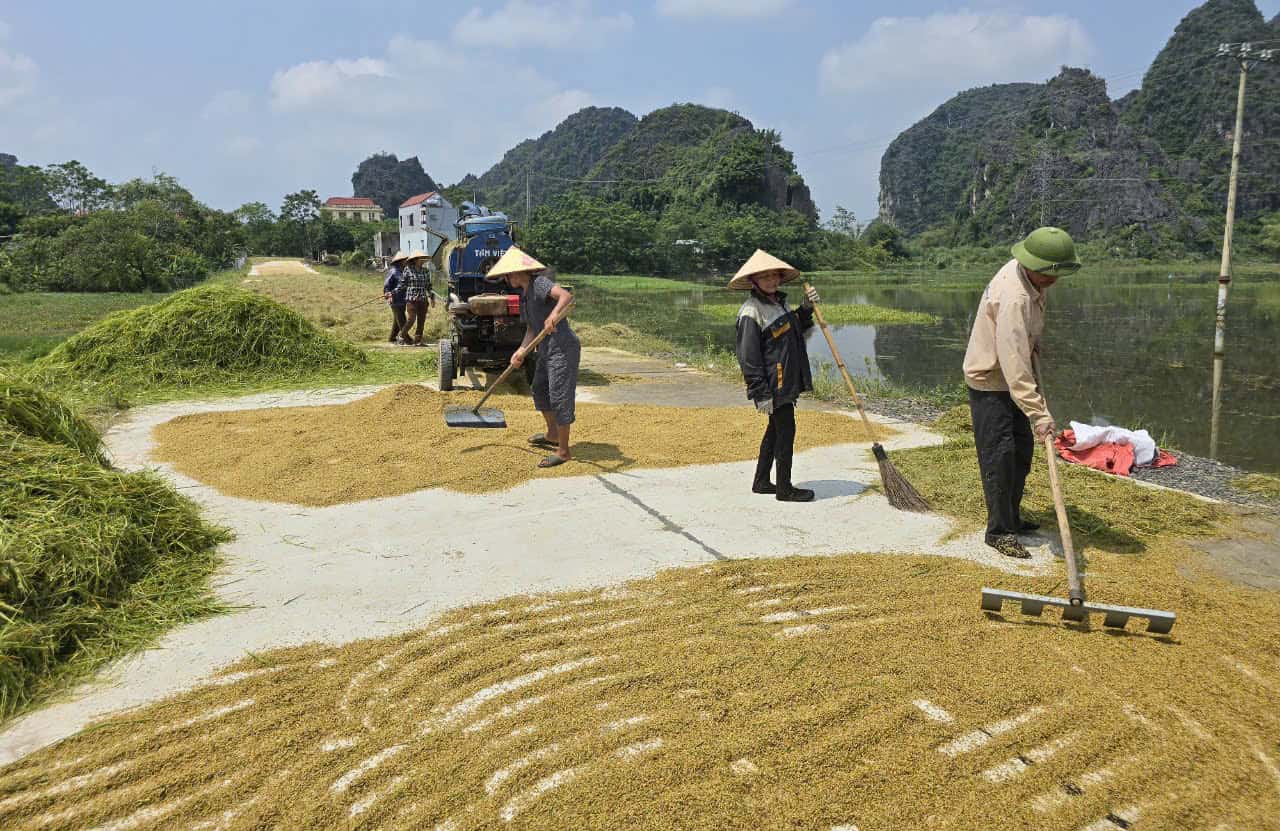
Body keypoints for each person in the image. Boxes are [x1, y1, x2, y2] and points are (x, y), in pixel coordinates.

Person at [962, 226, 1081, 559]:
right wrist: (1038, 413)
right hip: (992, 382)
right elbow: (1012, 360)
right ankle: (998, 531)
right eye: (1049, 274)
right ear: (1033, 266)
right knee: (1000, 457)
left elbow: (1021, 344)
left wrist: (1035, 344)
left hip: (1011, 379)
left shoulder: (1029, 278)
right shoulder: (1014, 296)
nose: (1054, 281)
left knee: (1021, 452)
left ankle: (1011, 516)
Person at [731, 249, 821, 503]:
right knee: (785, 431)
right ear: (754, 281)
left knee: (775, 430)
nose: (771, 281)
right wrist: (760, 392)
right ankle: (785, 488)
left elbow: (794, 331)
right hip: (774, 384)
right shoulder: (751, 311)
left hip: (786, 380)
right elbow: (748, 357)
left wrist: (806, 308)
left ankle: (761, 482)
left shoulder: (779, 303)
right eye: (765, 277)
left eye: (774, 276)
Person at [488, 246, 579, 469]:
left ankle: (564, 451)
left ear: (519, 272)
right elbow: (531, 328)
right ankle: (552, 434)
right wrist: (520, 351)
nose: (506, 278)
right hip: (545, 349)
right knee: (539, 389)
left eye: (508, 274)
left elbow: (566, 296)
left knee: (559, 396)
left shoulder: (539, 284)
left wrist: (554, 315)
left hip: (563, 348)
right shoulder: (524, 297)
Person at [401, 251, 436, 345]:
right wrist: (392, 292)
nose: (423, 260)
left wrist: (432, 298)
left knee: (421, 321)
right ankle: (401, 336)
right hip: (411, 299)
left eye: (423, 258)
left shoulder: (425, 271)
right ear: (416, 260)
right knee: (411, 319)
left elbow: (429, 286)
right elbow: (403, 284)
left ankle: (417, 340)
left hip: (423, 299)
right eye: (421, 258)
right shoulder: (408, 269)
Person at [383, 251, 409, 344]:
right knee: (402, 320)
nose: (406, 261)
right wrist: (387, 294)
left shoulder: (403, 271)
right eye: (405, 260)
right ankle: (407, 339)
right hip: (395, 299)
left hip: (403, 299)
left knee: (397, 320)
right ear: (400, 261)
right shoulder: (393, 271)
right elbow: (387, 285)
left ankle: (392, 338)